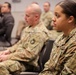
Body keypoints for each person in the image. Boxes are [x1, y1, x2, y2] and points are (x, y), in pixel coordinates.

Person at [0, 4, 49, 75]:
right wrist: (8, 51)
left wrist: (7, 57)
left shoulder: (39, 32)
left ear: (36, 17)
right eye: (25, 15)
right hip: (18, 58)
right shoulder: (29, 28)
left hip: (27, 63)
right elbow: (20, 43)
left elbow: (29, 55)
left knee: (1, 66)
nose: (25, 18)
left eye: (27, 16)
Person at [39, 0, 76, 75]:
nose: (53, 19)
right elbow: (49, 67)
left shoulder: (74, 43)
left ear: (70, 19)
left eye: (57, 16)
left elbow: (67, 73)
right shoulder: (61, 38)